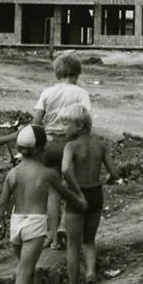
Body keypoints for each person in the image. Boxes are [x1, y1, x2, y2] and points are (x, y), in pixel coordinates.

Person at [0, 124, 88, 284]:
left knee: (27, 269)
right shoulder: (46, 174)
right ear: (42, 149)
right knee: (24, 272)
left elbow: (1, 205)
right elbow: (65, 194)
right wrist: (81, 202)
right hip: (34, 223)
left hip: (16, 223)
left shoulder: (13, 173)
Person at [59, 103, 121, 284]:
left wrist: (75, 191)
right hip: (96, 194)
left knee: (72, 245)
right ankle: (91, 274)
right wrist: (108, 180)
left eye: (65, 124)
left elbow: (66, 170)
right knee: (89, 241)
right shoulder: (99, 145)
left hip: (78, 197)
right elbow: (114, 172)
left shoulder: (71, 146)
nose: (62, 129)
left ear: (77, 125)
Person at [31, 52, 92, 248]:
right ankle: (65, 227)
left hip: (48, 145)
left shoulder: (47, 93)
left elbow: (36, 123)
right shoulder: (81, 93)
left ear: (57, 72)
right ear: (77, 73)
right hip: (70, 145)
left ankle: (53, 237)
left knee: (53, 192)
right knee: (72, 186)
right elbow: (86, 121)